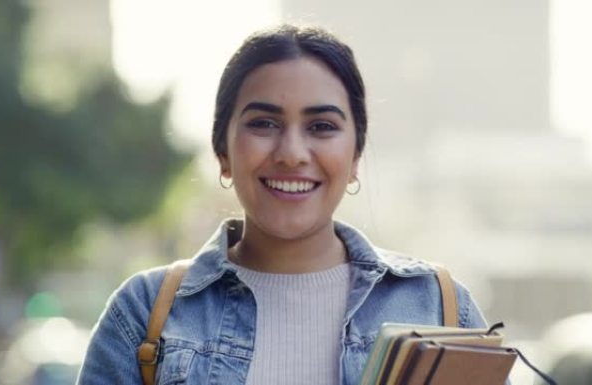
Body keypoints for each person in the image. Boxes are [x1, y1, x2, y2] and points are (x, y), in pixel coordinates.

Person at [76, 24, 487, 385]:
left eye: (322, 127)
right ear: (222, 151)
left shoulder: (438, 307)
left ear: (356, 156)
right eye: (264, 123)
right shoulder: (144, 315)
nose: (292, 153)